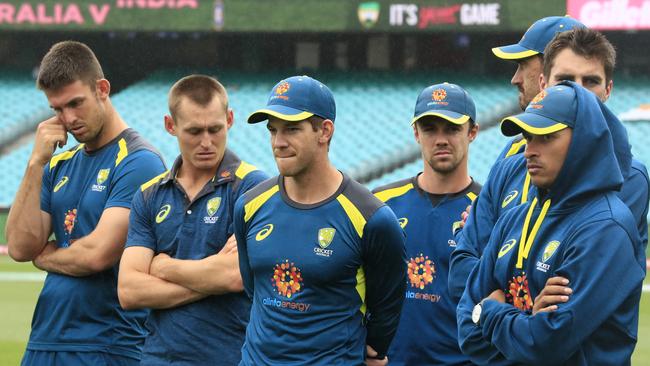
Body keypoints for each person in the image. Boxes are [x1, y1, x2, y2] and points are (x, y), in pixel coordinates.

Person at [448, 25, 650, 304]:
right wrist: (510, 312)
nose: (578, 93)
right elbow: (460, 272)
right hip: (495, 342)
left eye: (590, 81)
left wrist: (490, 306)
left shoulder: (629, 176)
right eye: (565, 81)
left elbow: (568, 302)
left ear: (608, 90)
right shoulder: (512, 161)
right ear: (543, 85)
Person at [457, 82, 644, 365]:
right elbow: (466, 334)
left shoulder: (607, 227)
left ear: (583, 141)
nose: (530, 150)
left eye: (546, 137)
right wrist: (524, 322)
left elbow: (546, 344)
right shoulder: (513, 218)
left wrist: (490, 313)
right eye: (529, 137)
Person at [5, 41, 166, 365]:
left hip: (104, 345)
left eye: (76, 103)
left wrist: (46, 257)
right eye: (57, 109)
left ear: (102, 89)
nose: (68, 118)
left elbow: (97, 255)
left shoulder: (139, 162)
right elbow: (21, 247)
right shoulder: (58, 164)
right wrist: (36, 162)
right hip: (43, 340)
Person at [234, 75, 407, 365]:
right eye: (272, 130)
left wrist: (372, 350)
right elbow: (254, 290)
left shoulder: (371, 219)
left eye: (291, 129)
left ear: (324, 131)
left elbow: (387, 309)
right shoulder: (249, 206)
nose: (278, 142)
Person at [117, 75, 268, 365]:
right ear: (170, 126)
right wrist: (210, 278)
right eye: (194, 131)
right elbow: (129, 290)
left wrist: (164, 267)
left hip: (229, 357)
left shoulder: (252, 188)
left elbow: (234, 276)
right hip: (157, 359)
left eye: (215, 129)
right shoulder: (149, 195)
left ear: (231, 119)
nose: (207, 142)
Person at [373, 83, 480, 365]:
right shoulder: (379, 204)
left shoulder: (489, 210)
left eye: (452, 128)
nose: (441, 139)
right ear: (416, 134)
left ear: (472, 133)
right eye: (430, 128)